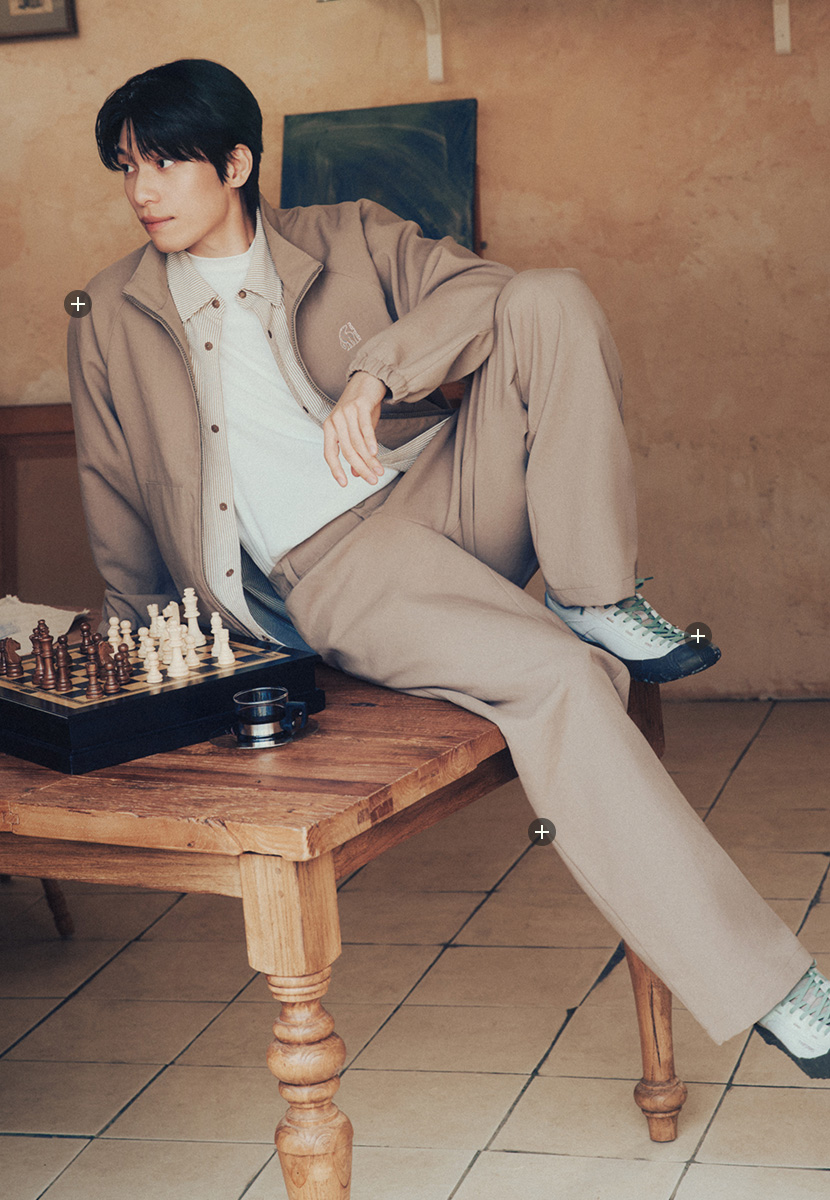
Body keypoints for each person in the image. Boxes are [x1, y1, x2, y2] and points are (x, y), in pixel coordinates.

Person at [68, 58, 829, 1077]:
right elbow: (114, 493)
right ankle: (772, 986)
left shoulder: (346, 233)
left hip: (439, 488)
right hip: (339, 568)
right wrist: (141, 672)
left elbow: (487, 291)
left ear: (236, 163)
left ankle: (596, 593)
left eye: (164, 162)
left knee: (549, 296)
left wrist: (377, 374)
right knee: (561, 679)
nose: (142, 190)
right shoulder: (110, 314)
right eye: (128, 167)